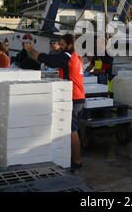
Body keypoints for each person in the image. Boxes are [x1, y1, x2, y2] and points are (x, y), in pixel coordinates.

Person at [25, 34, 85, 170]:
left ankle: (77, 161)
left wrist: (31, 50)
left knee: (72, 130)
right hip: (79, 97)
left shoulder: (67, 57)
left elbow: (48, 59)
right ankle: (74, 157)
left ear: (69, 45)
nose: (60, 47)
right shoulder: (77, 57)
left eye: (62, 44)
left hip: (73, 98)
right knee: (73, 129)